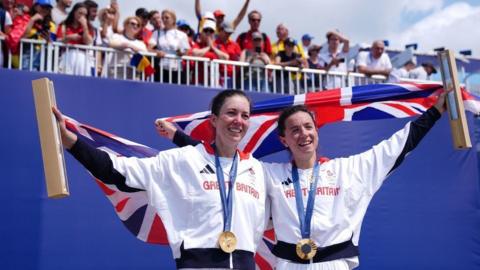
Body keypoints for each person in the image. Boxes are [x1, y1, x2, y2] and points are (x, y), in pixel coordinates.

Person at [158, 90, 448, 270]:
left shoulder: (348, 171)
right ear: (284, 139)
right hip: (287, 266)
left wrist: (434, 112)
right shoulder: (267, 173)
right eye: (294, 130)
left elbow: (397, 146)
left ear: (317, 132)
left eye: (308, 127)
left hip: (334, 265)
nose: (303, 134)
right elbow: (223, 159)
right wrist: (179, 137)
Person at [52, 89, 268, 270]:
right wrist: (70, 141)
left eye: (245, 116)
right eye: (231, 113)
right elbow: (116, 170)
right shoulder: (183, 160)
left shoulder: (256, 170)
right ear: (214, 119)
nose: (238, 121)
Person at [56, 2, 94, 76]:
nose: (82, 16)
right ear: (74, 12)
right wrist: (69, 37)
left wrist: (85, 26)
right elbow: (58, 40)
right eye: (80, 13)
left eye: (85, 15)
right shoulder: (64, 25)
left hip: (82, 57)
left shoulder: (89, 27)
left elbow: (88, 42)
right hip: (67, 56)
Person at [21, 0, 56, 71]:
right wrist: (32, 20)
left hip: (42, 58)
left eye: (47, 8)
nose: (45, 10)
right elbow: (23, 36)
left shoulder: (51, 25)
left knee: (39, 81)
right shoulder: (26, 18)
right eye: (43, 7)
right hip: (26, 56)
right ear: (35, 7)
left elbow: (53, 43)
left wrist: (48, 39)